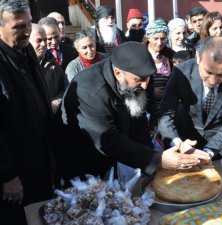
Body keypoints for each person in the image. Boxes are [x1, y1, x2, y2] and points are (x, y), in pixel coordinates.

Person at [58, 41, 210, 183]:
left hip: (118, 155)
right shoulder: (89, 90)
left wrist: (153, 163)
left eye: (149, 78)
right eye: (140, 79)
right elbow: (108, 140)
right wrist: (157, 160)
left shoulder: (138, 77)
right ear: (118, 73)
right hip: (85, 161)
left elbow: (139, 121)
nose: (145, 86)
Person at [0, 1, 53, 224]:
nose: (27, 32)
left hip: (39, 162)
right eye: (19, 26)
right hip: (14, 173)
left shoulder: (27, 49)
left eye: (29, 23)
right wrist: (8, 176)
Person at [158, 36, 222, 160]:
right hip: (186, 141)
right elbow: (166, 113)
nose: (213, 81)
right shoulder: (181, 73)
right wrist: (177, 143)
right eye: (208, 72)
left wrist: (209, 151)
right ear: (198, 57)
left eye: (221, 74)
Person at [143, 19, 175, 129]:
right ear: (148, 37)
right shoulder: (140, 52)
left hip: (166, 103)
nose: (159, 42)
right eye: (155, 38)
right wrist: (151, 90)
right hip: (144, 102)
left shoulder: (170, 54)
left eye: (163, 38)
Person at [29, 23, 65, 114]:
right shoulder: (19, 65)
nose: (44, 44)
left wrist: (56, 103)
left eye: (45, 40)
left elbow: (64, 88)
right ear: (28, 41)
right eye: (39, 40)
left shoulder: (53, 63)